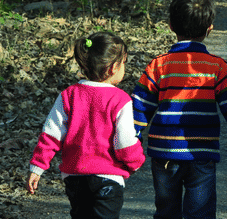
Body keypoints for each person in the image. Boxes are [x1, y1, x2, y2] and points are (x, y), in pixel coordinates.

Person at [131, 0, 227, 219]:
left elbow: (139, 108)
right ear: (210, 27)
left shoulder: (158, 66)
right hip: (201, 153)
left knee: (166, 212)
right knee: (200, 213)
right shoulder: (218, 67)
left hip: (164, 153)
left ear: (170, 25)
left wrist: (130, 146)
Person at [26, 31, 145, 219]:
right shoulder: (120, 100)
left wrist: (38, 167)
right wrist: (136, 162)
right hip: (108, 178)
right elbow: (125, 142)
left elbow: (51, 133)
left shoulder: (69, 94)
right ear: (113, 67)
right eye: (124, 62)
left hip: (74, 178)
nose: (125, 67)